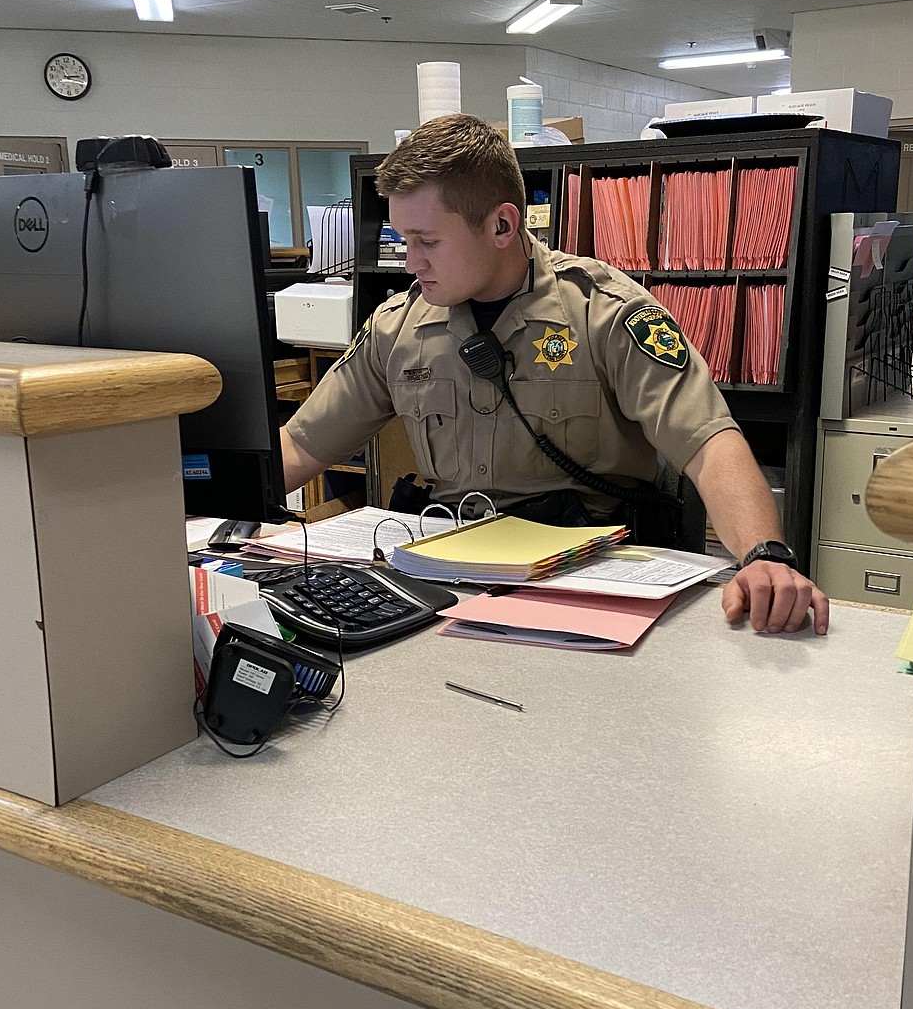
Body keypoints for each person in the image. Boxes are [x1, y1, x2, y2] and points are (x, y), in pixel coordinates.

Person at [282, 115, 829, 635]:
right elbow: (302, 445)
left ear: (502, 224)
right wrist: (209, 515)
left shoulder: (605, 312)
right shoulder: (398, 328)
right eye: (404, 240)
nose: (409, 262)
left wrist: (764, 555)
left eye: (427, 242)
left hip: (583, 580)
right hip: (451, 576)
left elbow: (708, 443)